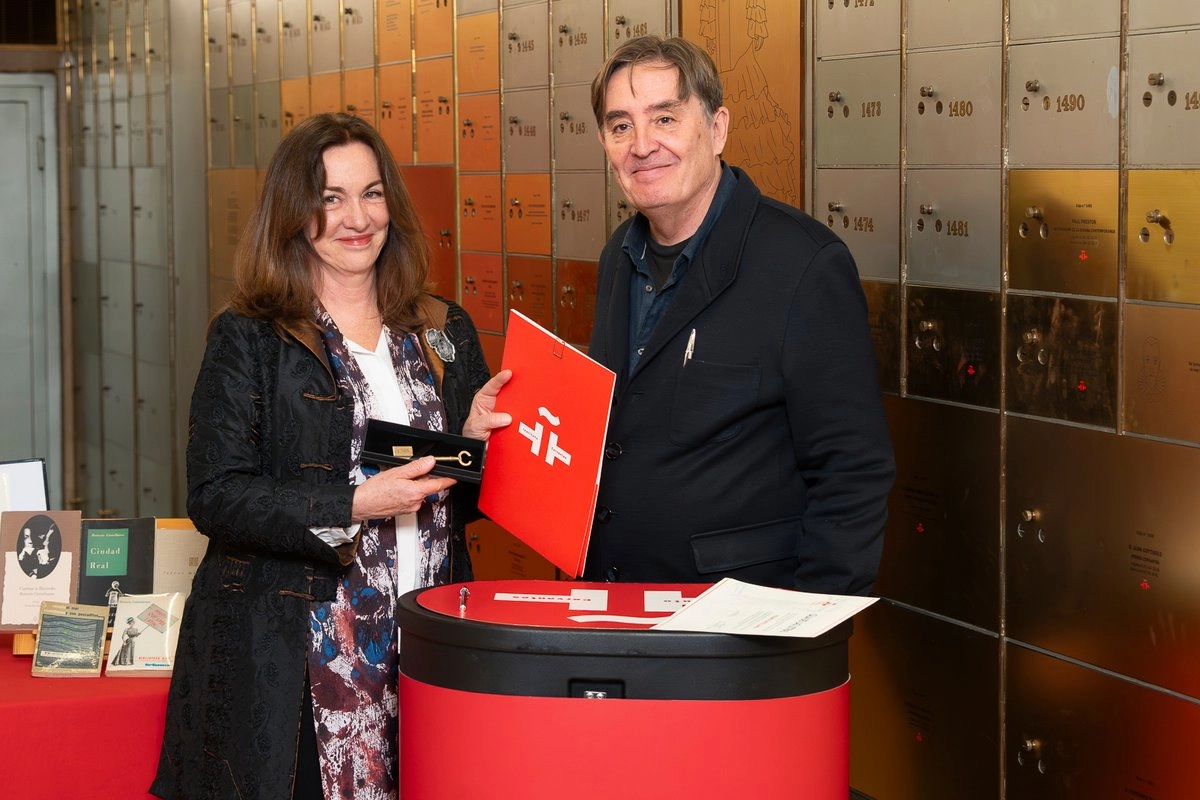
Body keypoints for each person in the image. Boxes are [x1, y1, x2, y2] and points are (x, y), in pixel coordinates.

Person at [151, 113, 511, 800]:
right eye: (330, 197)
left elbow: (458, 502)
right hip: (300, 658)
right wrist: (352, 504)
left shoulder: (442, 330)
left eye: (372, 194)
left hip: (428, 649)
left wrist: (476, 447)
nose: (357, 217)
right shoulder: (249, 339)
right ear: (294, 212)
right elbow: (215, 494)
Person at [583, 36, 895, 595]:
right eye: (620, 125)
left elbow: (852, 473)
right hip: (616, 609)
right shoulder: (617, 256)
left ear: (717, 127)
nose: (642, 145)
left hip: (740, 633)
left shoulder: (803, 265)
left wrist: (805, 635)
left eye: (665, 118)